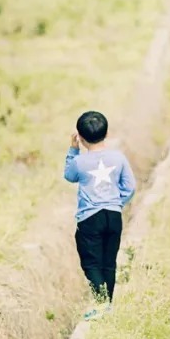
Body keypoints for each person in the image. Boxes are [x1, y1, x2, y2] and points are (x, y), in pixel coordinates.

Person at [64, 111, 136, 320]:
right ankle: (107, 304)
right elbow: (130, 186)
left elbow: (69, 176)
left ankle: (101, 302)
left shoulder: (80, 163)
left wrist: (73, 149)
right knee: (109, 262)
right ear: (107, 133)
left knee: (91, 262)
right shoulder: (118, 157)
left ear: (80, 136)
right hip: (113, 216)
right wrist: (117, 203)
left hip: (90, 217)